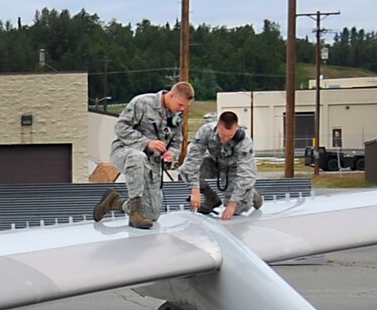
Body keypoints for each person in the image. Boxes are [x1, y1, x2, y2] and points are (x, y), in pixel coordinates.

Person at [93, 81, 193, 229]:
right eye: (180, 105)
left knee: (151, 215)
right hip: (125, 151)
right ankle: (134, 214)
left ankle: (114, 202)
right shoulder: (142, 102)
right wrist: (146, 143)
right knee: (137, 157)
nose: (182, 109)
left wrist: (171, 154)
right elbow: (120, 127)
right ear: (171, 96)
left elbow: (177, 142)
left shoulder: (177, 115)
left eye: (185, 106)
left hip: (152, 163)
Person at [181, 109, 263, 221]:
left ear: (236, 129)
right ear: (218, 127)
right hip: (215, 163)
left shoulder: (244, 141)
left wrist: (233, 203)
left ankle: (253, 195)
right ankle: (211, 198)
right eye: (222, 135)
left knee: (236, 210)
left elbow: (246, 174)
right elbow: (193, 160)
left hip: (234, 169)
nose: (225, 139)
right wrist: (195, 189)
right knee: (185, 170)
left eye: (229, 136)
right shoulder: (206, 131)